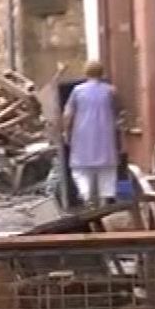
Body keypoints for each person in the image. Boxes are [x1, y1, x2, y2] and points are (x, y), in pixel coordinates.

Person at [63, 60, 121, 206]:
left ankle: (85, 195)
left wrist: (66, 131)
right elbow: (119, 112)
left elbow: (68, 114)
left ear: (85, 73)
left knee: (81, 169)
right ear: (102, 73)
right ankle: (106, 197)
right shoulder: (111, 90)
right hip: (105, 134)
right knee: (107, 169)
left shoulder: (77, 91)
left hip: (82, 135)